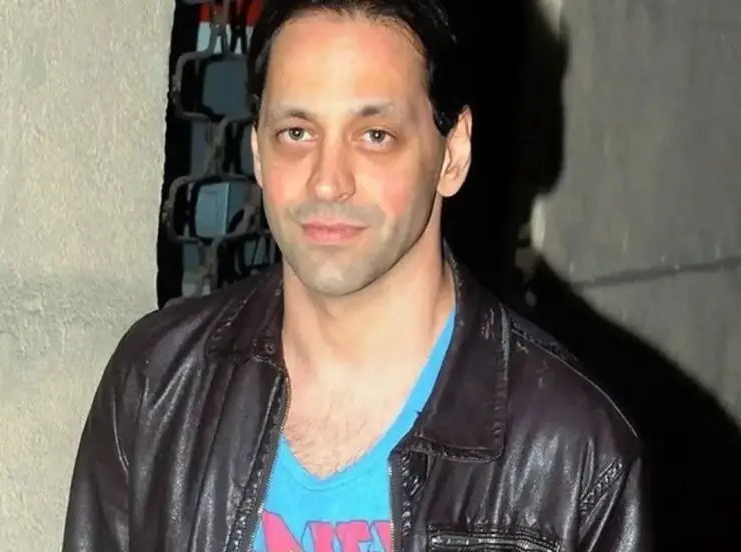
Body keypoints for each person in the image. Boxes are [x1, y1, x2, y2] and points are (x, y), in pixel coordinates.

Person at [62, 1, 649, 551]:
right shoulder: (159, 382)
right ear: (258, 152)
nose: (327, 181)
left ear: (452, 154)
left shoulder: (572, 450)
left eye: (375, 136)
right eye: (297, 132)